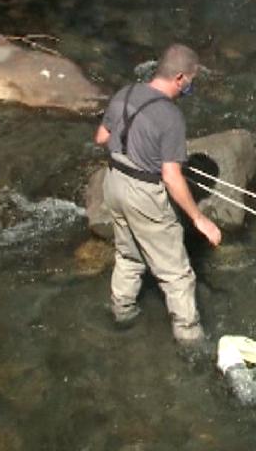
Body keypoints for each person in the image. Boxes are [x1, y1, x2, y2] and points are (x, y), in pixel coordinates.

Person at [94, 43, 222, 344]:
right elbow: (171, 177)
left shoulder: (124, 93)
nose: (191, 84)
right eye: (191, 79)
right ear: (180, 78)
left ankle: (122, 315)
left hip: (113, 182)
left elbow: (101, 137)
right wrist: (199, 218)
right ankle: (190, 342)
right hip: (144, 193)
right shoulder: (170, 117)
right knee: (177, 274)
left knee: (128, 254)